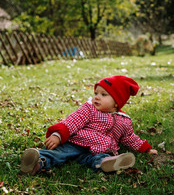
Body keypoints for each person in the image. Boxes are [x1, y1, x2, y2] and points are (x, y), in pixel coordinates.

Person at [20, 75, 157, 175]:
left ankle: (108, 163)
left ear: (117, 101)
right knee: (60, 153)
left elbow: (129, 138)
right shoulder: (89, 109)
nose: (96, 97)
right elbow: (73, 120)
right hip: (77, 143)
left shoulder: (124, 120)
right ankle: (37, 161)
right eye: (96, 93)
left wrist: (145, 149)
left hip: (100, 150)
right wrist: (58, 135)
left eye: (103, 94)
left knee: (98, 158)